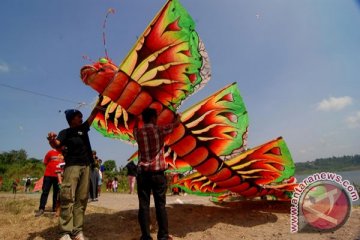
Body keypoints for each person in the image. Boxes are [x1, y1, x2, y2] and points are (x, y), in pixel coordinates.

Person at [47, 105, 100, 240]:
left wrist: (100, 102)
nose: (82, 118)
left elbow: (92, 116)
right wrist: (52, 139)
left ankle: (77, 231)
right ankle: (65, 232)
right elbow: (56, 143)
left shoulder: (83, 129)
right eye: (79, 116)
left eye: (82, 116)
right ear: (71, 119)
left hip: (86, 167)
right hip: (72, 167)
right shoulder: (65, 132)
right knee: (67, 198)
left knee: (81, 199)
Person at [133, 108, 180, 240]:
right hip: (158, 174)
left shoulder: (138, 133)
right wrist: (177, 116)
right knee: (160, 205)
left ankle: (146, 236)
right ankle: (163, 236)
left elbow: (134, 129)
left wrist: (137, 121)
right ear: (154, 118)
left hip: (143, 174)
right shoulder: (160, 130)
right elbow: (176, 124)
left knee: (143, 206)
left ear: (144, 118)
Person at [35, 148, 64, 217]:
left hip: (59, 176)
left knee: (57, 193)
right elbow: (45, 162)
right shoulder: (50, 152)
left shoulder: (64, 153)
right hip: (48, 175)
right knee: (45, 192)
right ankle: (41, 209)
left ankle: (55, 208)